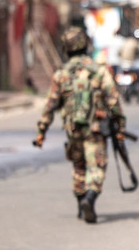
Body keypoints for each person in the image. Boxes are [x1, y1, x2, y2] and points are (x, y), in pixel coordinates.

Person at [33, 26, 127, 224]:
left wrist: (41, 131)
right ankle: (90, 199)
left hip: (73, 129)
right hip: (95, 129)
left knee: (78, 166)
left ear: (66, 48)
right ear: (85, 45)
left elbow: (49, 106)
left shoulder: (61, 75)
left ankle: (80, 204)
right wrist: (121, 125)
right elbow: (113, 100)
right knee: (96, 166)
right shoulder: (99, 71)